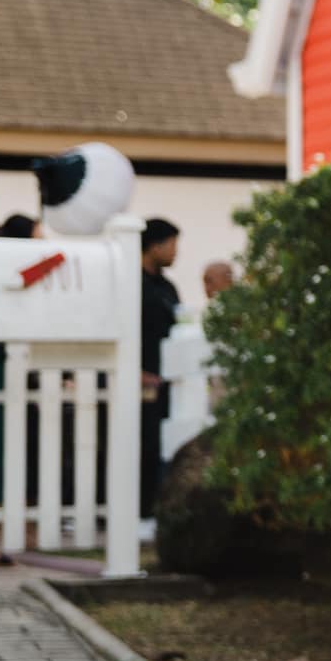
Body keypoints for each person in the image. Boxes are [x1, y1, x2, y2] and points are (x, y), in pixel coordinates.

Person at [139, 218, 182, 516]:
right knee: (140, 445)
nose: (175, 252)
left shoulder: (167, 287)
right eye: (172, 244)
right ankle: (140, 508)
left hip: (166, 379)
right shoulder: (131, 283)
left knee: (161, 445)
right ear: (154, 246)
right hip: (138, 379)